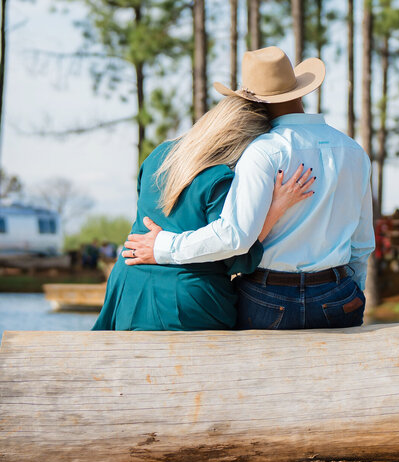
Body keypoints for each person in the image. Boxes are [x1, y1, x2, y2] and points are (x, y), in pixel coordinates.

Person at [122, 47, 374, 330]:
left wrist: (164, 247)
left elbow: (234, 236)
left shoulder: (264, 152)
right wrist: (353, 289)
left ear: (254, 102)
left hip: (270, 296)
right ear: (299, 92)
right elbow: (362, 244)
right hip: (338, 294)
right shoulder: (354, 151)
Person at [94, 95, 314, 332]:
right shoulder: (219, 180)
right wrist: (277, 208)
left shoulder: (158, 155)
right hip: (186, 297)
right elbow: (233, 253)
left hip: (128, 282)